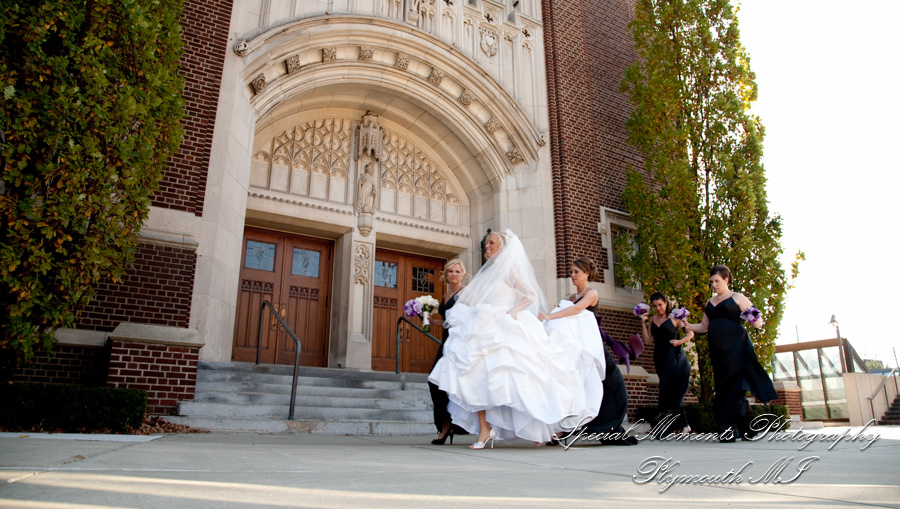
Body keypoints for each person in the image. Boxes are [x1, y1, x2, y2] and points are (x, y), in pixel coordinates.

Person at [428, 229, 590, 448]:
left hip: (504, 323)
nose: (487, 246)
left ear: (502, 247)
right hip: (486, 322)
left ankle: (539, 421)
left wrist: (513, 311)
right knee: (477, 375)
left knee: (522, 378)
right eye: (487, 243)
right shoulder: (488, 272)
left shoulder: (509, 271)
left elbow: (530, 295)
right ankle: (484, 430)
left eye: (491, 243)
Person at [681, 265, 777, 442]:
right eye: (712, 282)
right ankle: (744, 427)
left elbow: (758, 321)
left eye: (717, 281)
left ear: (726, 280)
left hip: (736, 348)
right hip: (718, 351)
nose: (714, 285)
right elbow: (704, 327)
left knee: (733, 386)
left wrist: (755, 321)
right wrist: (688, 326)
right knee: (723, 386)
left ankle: (729, 428)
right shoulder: (710, 302)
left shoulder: (738, 298)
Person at [638, 292, 693, 434]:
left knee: (667, 390)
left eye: (660, 305)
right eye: (655, 306)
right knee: (669, 391)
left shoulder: (674, 318)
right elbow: (648, 340)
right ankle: (683, 425)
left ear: (666, 304)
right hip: (659, 357)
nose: (658, 308)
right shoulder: (651, 320)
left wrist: (679, 342)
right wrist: (643, 322)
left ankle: (661, 426)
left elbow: (690, 333)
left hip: (674, 356)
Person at [428, 259, 468, 445]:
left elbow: (471, 316)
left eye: (457, 271)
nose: (454, 274)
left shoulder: (465, 293)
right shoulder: (445, 294)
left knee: (445, 382)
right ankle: (445, 423)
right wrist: (435, 322)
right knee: (434, 381)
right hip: (446, 342)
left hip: (459, 343)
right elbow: (448, 319)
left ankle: (449, 425)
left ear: (463, 274)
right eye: (451, 271)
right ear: (446, 274)